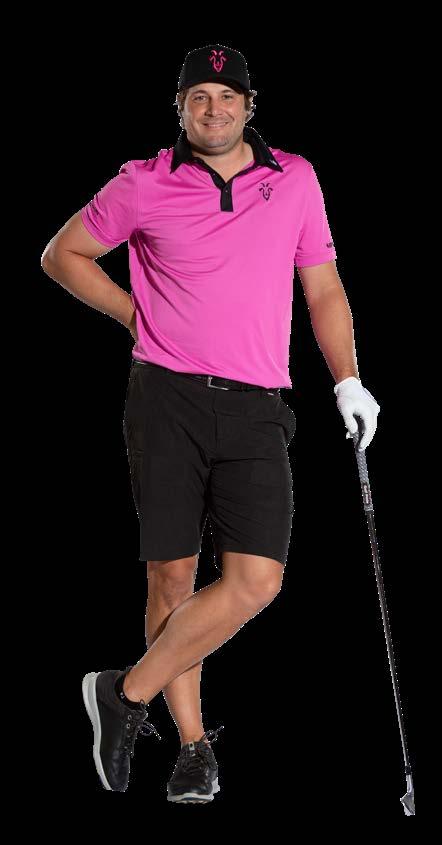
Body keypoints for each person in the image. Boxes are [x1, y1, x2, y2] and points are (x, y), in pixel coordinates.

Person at [41, 43, 381, 799]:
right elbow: (63, 254)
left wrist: (349, 379)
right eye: (200, 97)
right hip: (166, 398)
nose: (214, 109)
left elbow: (323, 288)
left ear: (249, 107)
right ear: (181, 108)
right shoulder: (143, 183)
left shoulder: (295, 179)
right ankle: (193, 748)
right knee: (172, 576)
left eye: (228, 98)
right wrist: (134, 314)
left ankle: (122, 693)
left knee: (257, 580)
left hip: (258, 404)